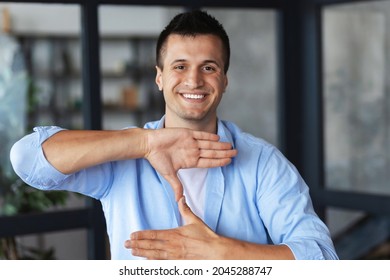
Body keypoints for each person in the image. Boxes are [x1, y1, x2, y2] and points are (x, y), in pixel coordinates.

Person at [10, 10, 338, 260]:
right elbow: (28, 160)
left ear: (224, 80)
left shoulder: (264, 162)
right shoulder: (125, 156)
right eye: (180, 66)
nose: (194, 80)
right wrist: (145, 143)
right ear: (160, 78)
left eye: (208, 67)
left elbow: (321, 256)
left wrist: (221, 252)